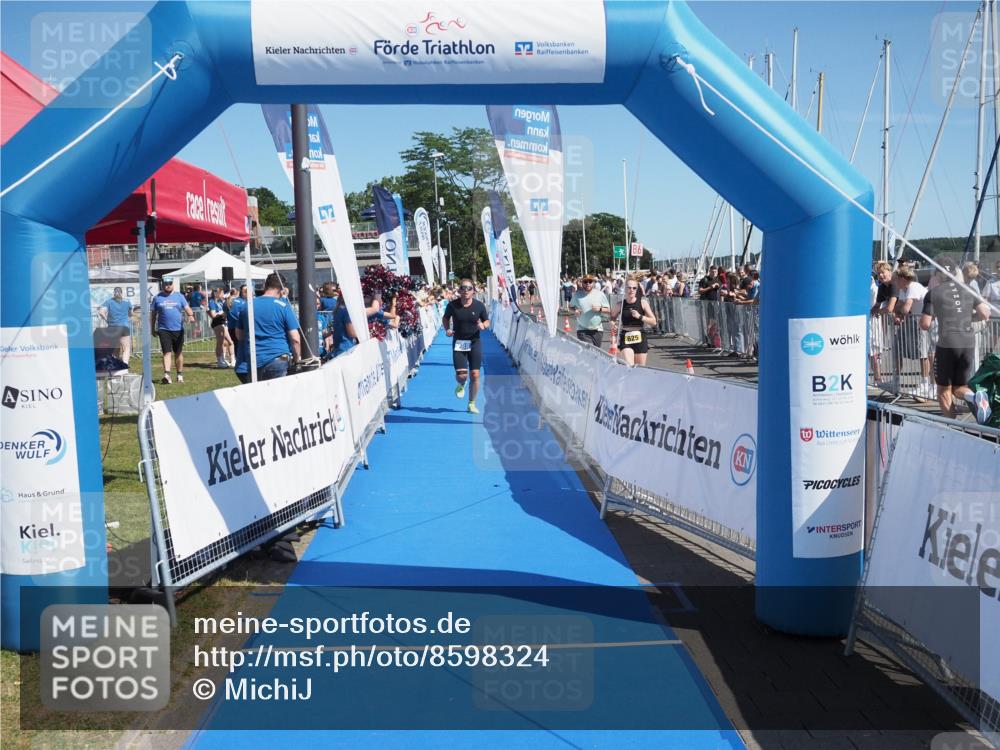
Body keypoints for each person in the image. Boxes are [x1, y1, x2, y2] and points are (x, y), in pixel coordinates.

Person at [919, 257, 992, 423]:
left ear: (938, 274)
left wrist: (936, 316)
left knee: (943, 390)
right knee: (959, 387)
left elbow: (925, 324)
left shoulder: (934, 293)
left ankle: (952, 427)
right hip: (968, 342)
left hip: (947, 343)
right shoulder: (968, 289)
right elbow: (984, 314)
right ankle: (975, 397)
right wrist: (966, 318)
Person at [236, 272, 301, 382]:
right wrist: (297, 360)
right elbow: (295, 339)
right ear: (282, 290)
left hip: (254, 359)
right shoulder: (283, 307)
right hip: (278, 358)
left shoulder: (247, 305)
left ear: (265, 285)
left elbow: (239, 335)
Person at [443, 278, 490, 414]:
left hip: (475, 342)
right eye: (463, 288)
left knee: (475, 374)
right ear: (459, 290)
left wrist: (483, 325)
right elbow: (445, 318)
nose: (466, 290)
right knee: (462, 376)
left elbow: (487, 321)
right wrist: (447, 329)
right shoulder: (452, 305)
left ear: (473, 291)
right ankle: (461, 384)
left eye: (469, 288)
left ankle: (471, 404)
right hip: (459, 343)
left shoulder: (479, 306)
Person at [151, 278, 194, 384]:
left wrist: (190, 315)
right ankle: (167, 375)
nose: (168, 285)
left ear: (173, 284)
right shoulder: (157, 298)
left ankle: (179, 374)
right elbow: (153, 315)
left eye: (170, 283)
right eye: (166, 284)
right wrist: (152, 328)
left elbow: (187, 308)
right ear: (162, 285)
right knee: (166, 352)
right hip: (163, 329)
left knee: (178, 353)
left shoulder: (179, 296)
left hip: (178, 329)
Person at [611, 276, 656, 366]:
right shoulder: (620, 304)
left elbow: (653, 322)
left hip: (640, 336)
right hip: (626, 337)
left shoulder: (643, 303)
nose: (631, 290)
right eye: (629, 288)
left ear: (637, 289)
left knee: (640, 369)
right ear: (625, 289)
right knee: (629, 367)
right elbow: (612, 317)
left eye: (634, 288)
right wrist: (613, 324)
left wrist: (640, 316)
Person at [570, 274, 610, 348]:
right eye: (585, 282)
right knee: (589, 349)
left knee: (596, 352)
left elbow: (608, 310)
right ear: (582, 283)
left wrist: (599, 309)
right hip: (582, 329)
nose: (588, 283)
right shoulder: (577, 295)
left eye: (590, 281)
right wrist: (575, 310)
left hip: (597, 329)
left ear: (593, 283)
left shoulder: (600, 294)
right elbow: (570, 307)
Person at [99, 287, 135, 362]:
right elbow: (131, 314)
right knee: (126, 348)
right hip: (124, 327)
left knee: (115, 349)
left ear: (114, 293)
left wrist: (106, 319)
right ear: (121, 293)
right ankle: (125, 365)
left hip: (112, 327)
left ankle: (115, 366)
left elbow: (101, 312)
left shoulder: (108, 301)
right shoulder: (127, 301)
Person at [208, 286, 233, 368]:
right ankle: (220, 361)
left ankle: (224, 359)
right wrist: (222, 313)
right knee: (220, 342)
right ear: (217, 294)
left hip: (223, 322)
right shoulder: (212, 301)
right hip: (217, 322)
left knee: (227, 341)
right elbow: (213, 314)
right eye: (221, 293)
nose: (223, 294)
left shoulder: (221, 301)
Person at [329, 293, 358, 358]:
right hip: (346, 348)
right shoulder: (347, 310)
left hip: (339, 347)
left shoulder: (338, 309)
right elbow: (352, 333)